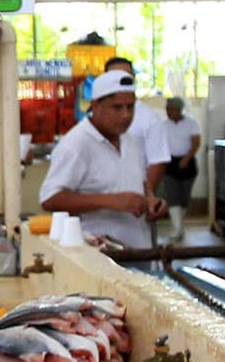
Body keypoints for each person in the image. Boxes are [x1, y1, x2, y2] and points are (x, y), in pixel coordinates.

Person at [40, 70, 165, 249]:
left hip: (138, 252)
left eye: (130, 107)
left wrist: (151, 202)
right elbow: (50, 199)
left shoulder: (129, 140)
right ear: (95, 106)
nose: (126, 115)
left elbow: (139, 184)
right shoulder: (77, 143)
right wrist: (110, 201)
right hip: (97, 257)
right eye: (117, 107)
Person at [101, 58, 171, 191]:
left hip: (133, 194)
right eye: (114, 77)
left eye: (125, 77)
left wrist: (145, 200)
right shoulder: (96, 116)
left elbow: (158, 162)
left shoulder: (149, 118)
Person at [160, 97, 203, 241]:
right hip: (170, 162)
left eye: (171, 109)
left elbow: (196, 142)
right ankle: (177, 229)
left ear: (179, 110)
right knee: (172, 197)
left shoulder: (191, 123)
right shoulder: (163, 125)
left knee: (184, 198)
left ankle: (179, 224)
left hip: (187, 162)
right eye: (167, 109)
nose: (168, 112)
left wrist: (187, 158)